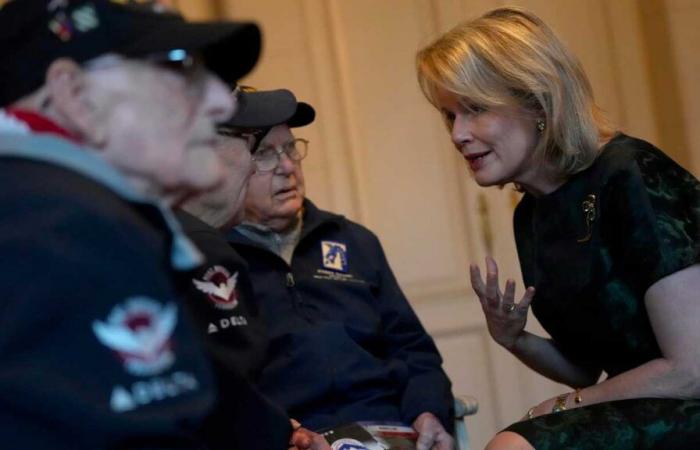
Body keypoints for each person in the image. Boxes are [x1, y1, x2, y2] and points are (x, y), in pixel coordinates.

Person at [416, 6, 700, 450]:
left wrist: (568, 405)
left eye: (474, 109)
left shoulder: (631, 174)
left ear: (537, 101)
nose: (457, 134)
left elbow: (691, 368)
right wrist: (514, 339)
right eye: (449, 115)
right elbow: (586, 366)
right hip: (653, 404)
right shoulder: (531, 215)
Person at [0, 0, 265, 448]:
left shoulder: (39, 209)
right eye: (181, 69)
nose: (222, 103)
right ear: (75, 96)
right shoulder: (70, 229)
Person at [226, 89, 456, 450]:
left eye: (290, 149)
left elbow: (414, 352)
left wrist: (429, 411)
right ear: (230, 165)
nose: (287, 166)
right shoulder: (213, 264)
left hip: (387, 430)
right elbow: (224, 384)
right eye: (266, 154)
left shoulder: (353, 241)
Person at [177, 88, 330, 450]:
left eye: (290, 149)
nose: (285, 167)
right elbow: (226, 396)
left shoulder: (149, 233)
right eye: (255, 148)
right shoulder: (205, 251)